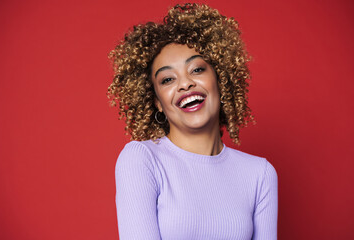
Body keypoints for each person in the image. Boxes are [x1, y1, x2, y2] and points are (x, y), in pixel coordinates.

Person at [107, 3, 278, 240]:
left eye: (197, 69)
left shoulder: (260, 174)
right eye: (167, 79)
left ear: (220, 78)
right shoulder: (142, 160)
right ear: (157, 101)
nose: (185, 84)